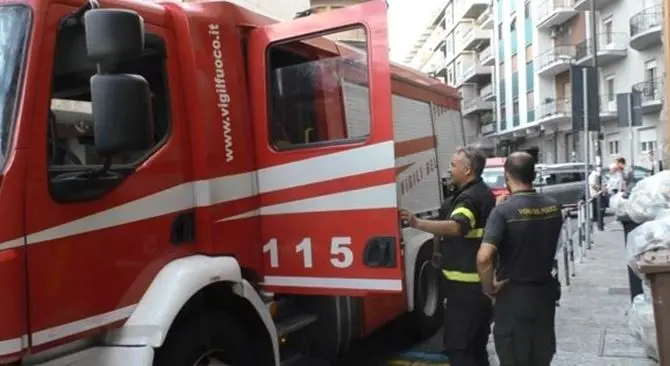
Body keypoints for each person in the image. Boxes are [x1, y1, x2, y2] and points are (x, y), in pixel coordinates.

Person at [400, 146, 495, 366]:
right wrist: (436, 252)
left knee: (461, 352)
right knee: (477, 350)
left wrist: (417, 223)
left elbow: (458, 226)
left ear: (468, 169)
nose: (449, 170)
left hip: (465, 294)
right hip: (475, 293)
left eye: (453, 165)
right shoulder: (481, 193)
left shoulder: (469, 199)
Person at [475, 152, 564, 366]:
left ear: (507, 176)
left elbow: (484, 257)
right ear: (533, 175)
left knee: (514, 356)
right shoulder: (554, 206)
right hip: (544, 295)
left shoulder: (504, 211)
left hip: (514, 297)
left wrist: (489, 287)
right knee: (540, 355)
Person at [587, 165, 604, 231]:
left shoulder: (594, 174)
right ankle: (599, 223)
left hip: (595, 194)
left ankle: (599, 223)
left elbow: (594, 185)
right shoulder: (594, 175)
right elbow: (593, 185)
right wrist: (600, 189)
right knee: (597, 210)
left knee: (598, 210)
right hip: (595, 195)